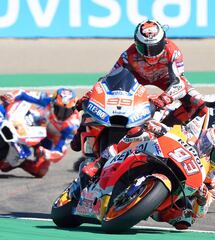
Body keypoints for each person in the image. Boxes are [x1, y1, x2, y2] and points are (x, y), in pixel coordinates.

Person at [70, 19, 191, 160]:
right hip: (138, 78)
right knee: (92, 107)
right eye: (144, 47)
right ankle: (84, 139)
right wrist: (89, 96)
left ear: (164, 41)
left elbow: (181, 83)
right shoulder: (128, 54)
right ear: (136, 43)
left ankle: (172, 133)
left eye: (154, 47)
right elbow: (109, 79)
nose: (150, 53)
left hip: (164, 78)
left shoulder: (173, 51)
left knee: (196, 103)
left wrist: (163, 99)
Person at [79, 119, 215, 230]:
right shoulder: (189, 136)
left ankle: (139, 206)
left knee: (185, 221)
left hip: (177, 192)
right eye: (214, 150)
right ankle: (99, 163)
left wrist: (202, 199)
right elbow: (169, 131)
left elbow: (201, 213)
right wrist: (157, 127)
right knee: (138, 133)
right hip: (160, 157)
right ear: (204, 141)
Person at [0, 88, 80, 177]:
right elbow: (23, 93)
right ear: (53, 103)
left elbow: (60, 151)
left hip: (48, 140)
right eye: (58, 108)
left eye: (67, 111)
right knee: (9, 105)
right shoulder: (48, 98)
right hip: (34, 121)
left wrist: (46, 153)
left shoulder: (72, 125)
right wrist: (10, 96)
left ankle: (19, 162)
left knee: (40, 170)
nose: (62, 114)